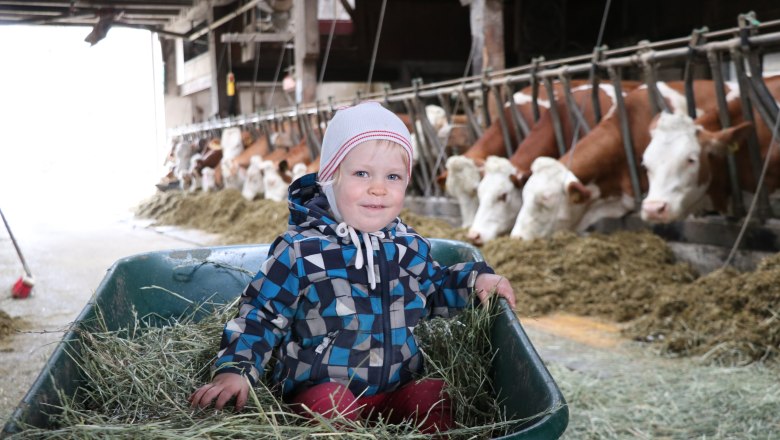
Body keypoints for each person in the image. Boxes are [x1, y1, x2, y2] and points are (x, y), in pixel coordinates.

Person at [189, 101, 516, 434]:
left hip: (395, 387)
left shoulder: (407, 246)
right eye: (362, 173)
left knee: (435, 396)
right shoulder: (300, 251)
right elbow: (261, 315)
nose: (379, 187)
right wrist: (235, 369)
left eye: (393, 176)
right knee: (331, 405)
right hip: (323, 388)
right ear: (330, 178)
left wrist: (475, 280)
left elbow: (435, 289)